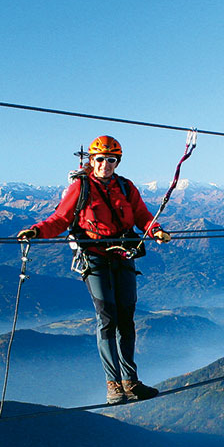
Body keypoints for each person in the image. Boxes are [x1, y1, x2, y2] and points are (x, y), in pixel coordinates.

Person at [18, 135, 172, 405]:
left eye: (111, 159)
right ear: (92, 160)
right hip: (95, 257)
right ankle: (114, 385)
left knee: (127, 318)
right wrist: (37, 231)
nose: (105, 164)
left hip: (124, 255)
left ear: (117, 162)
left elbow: (142, 215)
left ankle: (130, 382)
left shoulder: (126, 187)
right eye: (100, 159)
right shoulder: (81, 187)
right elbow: (61, 218)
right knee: (108, 318)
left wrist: (156, 230)